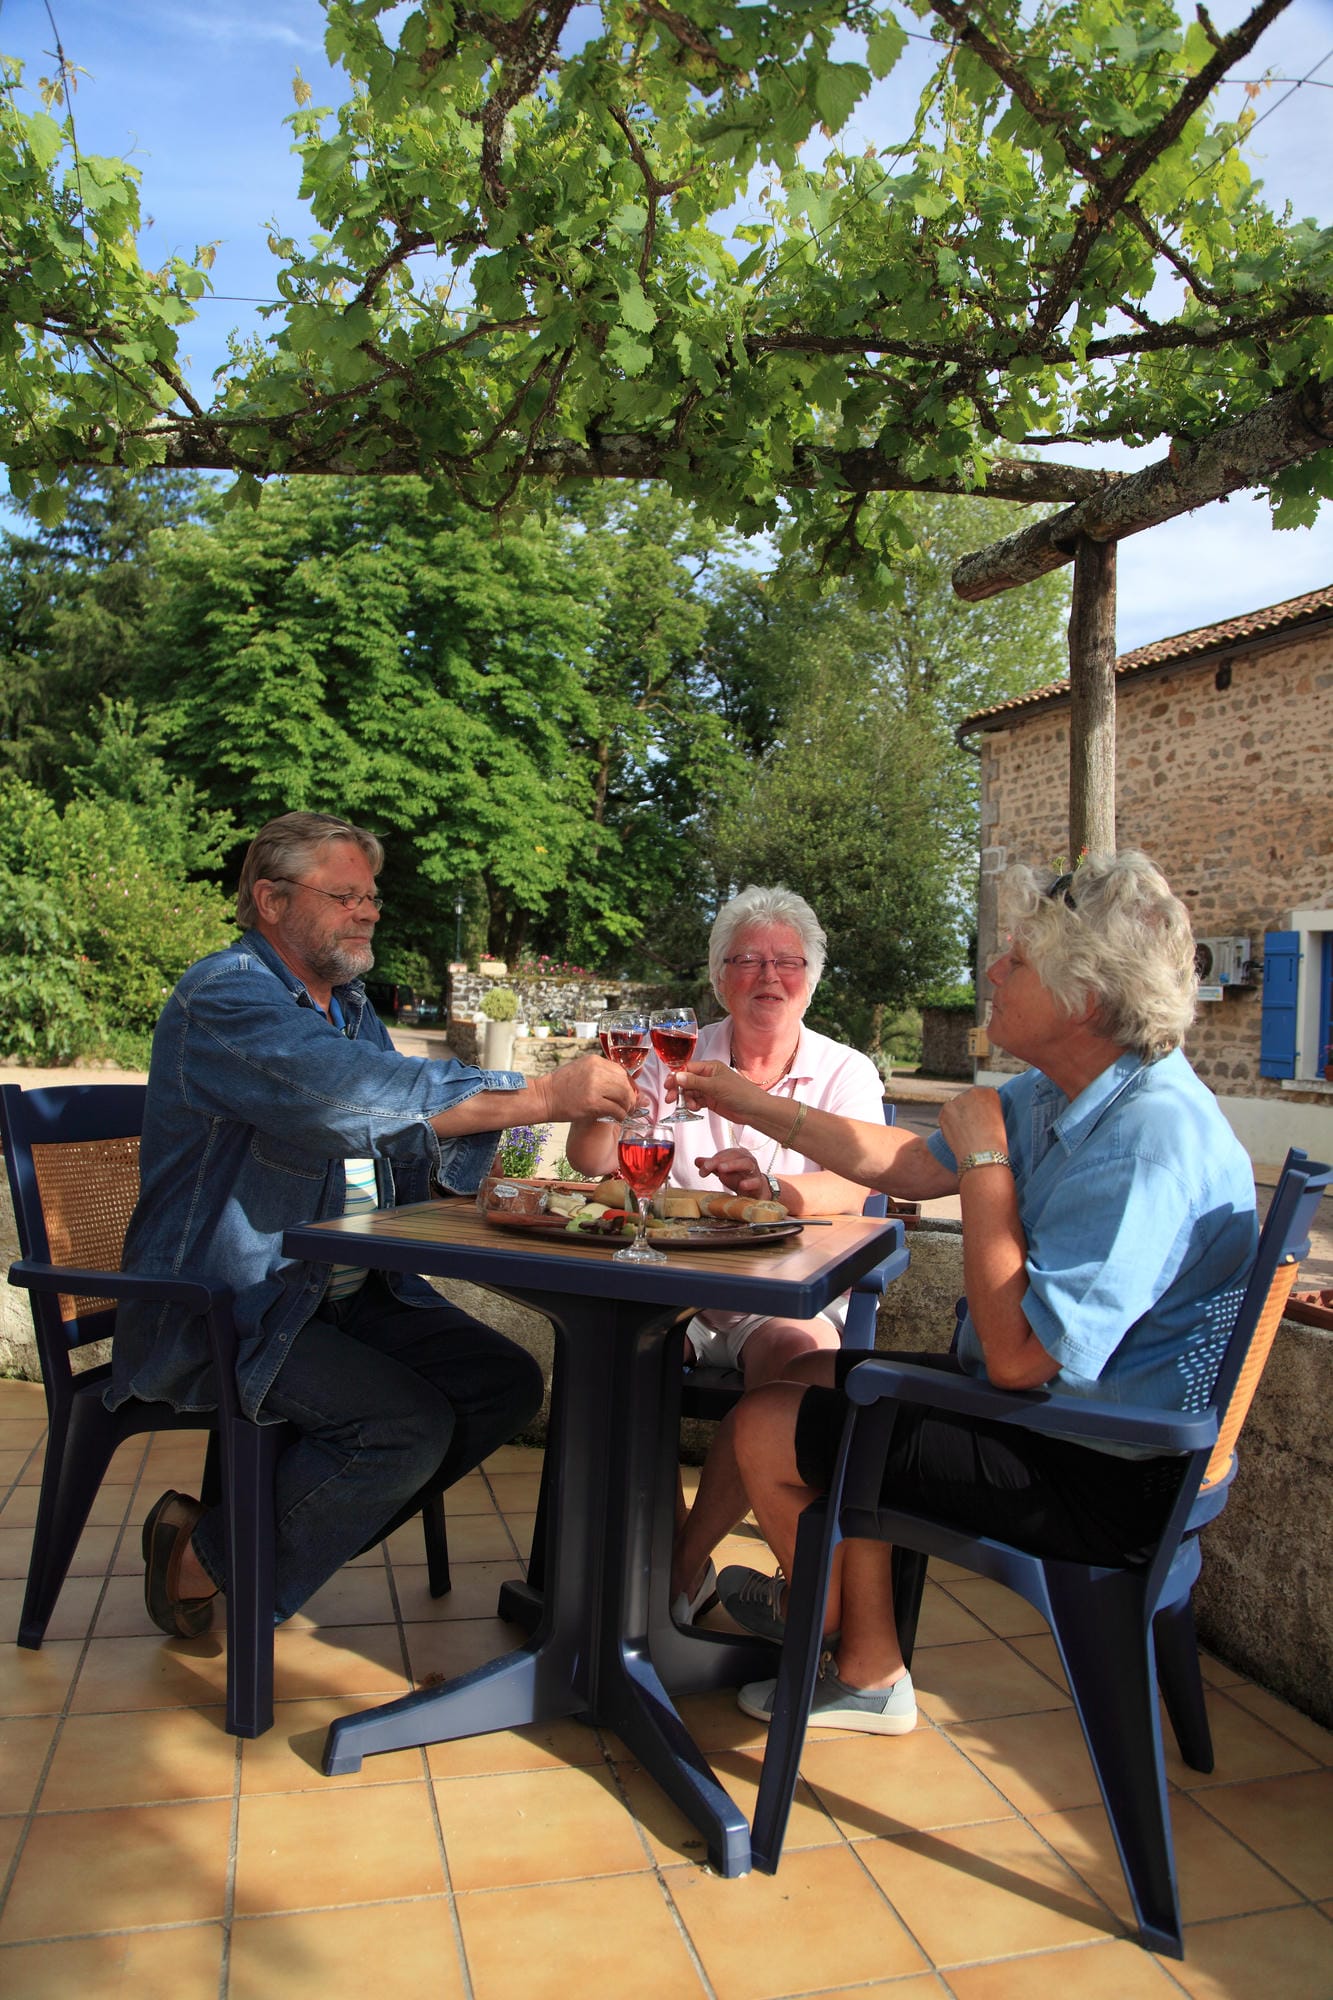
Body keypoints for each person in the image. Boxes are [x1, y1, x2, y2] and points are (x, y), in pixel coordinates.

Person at [676, 852, 1258, 1735]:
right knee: (809, 1389)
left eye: (1016, 960)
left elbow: (1021, 1361)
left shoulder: (1148, 1138)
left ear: (1085, 997)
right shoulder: (1063, 1091)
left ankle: (819, 1624)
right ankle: (861, 1660)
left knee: (768, 1424)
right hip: (1048, 1415)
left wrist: (986, 1165)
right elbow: (904, 1162)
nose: (991, 972)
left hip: (1096, 1466)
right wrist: (749, 1105)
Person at [114, 812, 637, 1638]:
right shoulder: (225, 994)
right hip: (228, 1307)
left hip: (343, 1290)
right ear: (271, 899)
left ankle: (234, 1539)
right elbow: (349, 1102)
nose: (368, 912)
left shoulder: (350, 1009)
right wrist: (540, 1097)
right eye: (345, 895)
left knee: (501, 1383)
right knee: (402, 1428)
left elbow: (405, 1138)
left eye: (372, 896)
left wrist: (509, 1181)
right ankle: (206, 1563)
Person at [565, 884, 884, 1624]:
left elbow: (855, 1187)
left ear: (811, 978)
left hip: (778, 1290)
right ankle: (627, 1563)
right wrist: (594, 1100)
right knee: (610, 1349)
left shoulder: (845, 1072)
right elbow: (594, 1164)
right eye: (747, 960)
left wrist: (773, 1187)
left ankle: (679, 1566)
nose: (768, 977)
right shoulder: (668, 1052)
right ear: (718, 976)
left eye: (787, 962)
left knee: (792, 1350)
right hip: (665, 1280)